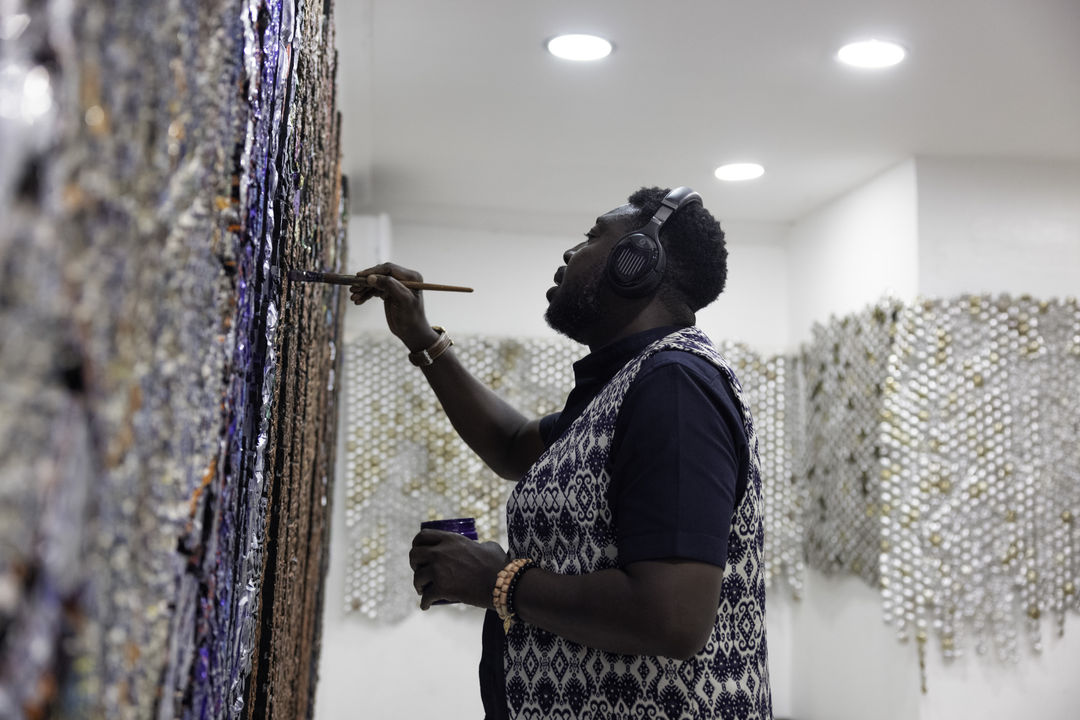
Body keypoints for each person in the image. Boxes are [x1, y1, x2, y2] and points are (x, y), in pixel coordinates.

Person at [349, 186, 772, 720]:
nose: (572, 253)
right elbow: (511, 445)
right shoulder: (628, 383)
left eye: (593, 236)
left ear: (636, 262)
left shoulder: (675, 385)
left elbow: (673, 617)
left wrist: (497, 580)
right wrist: (420, 336)